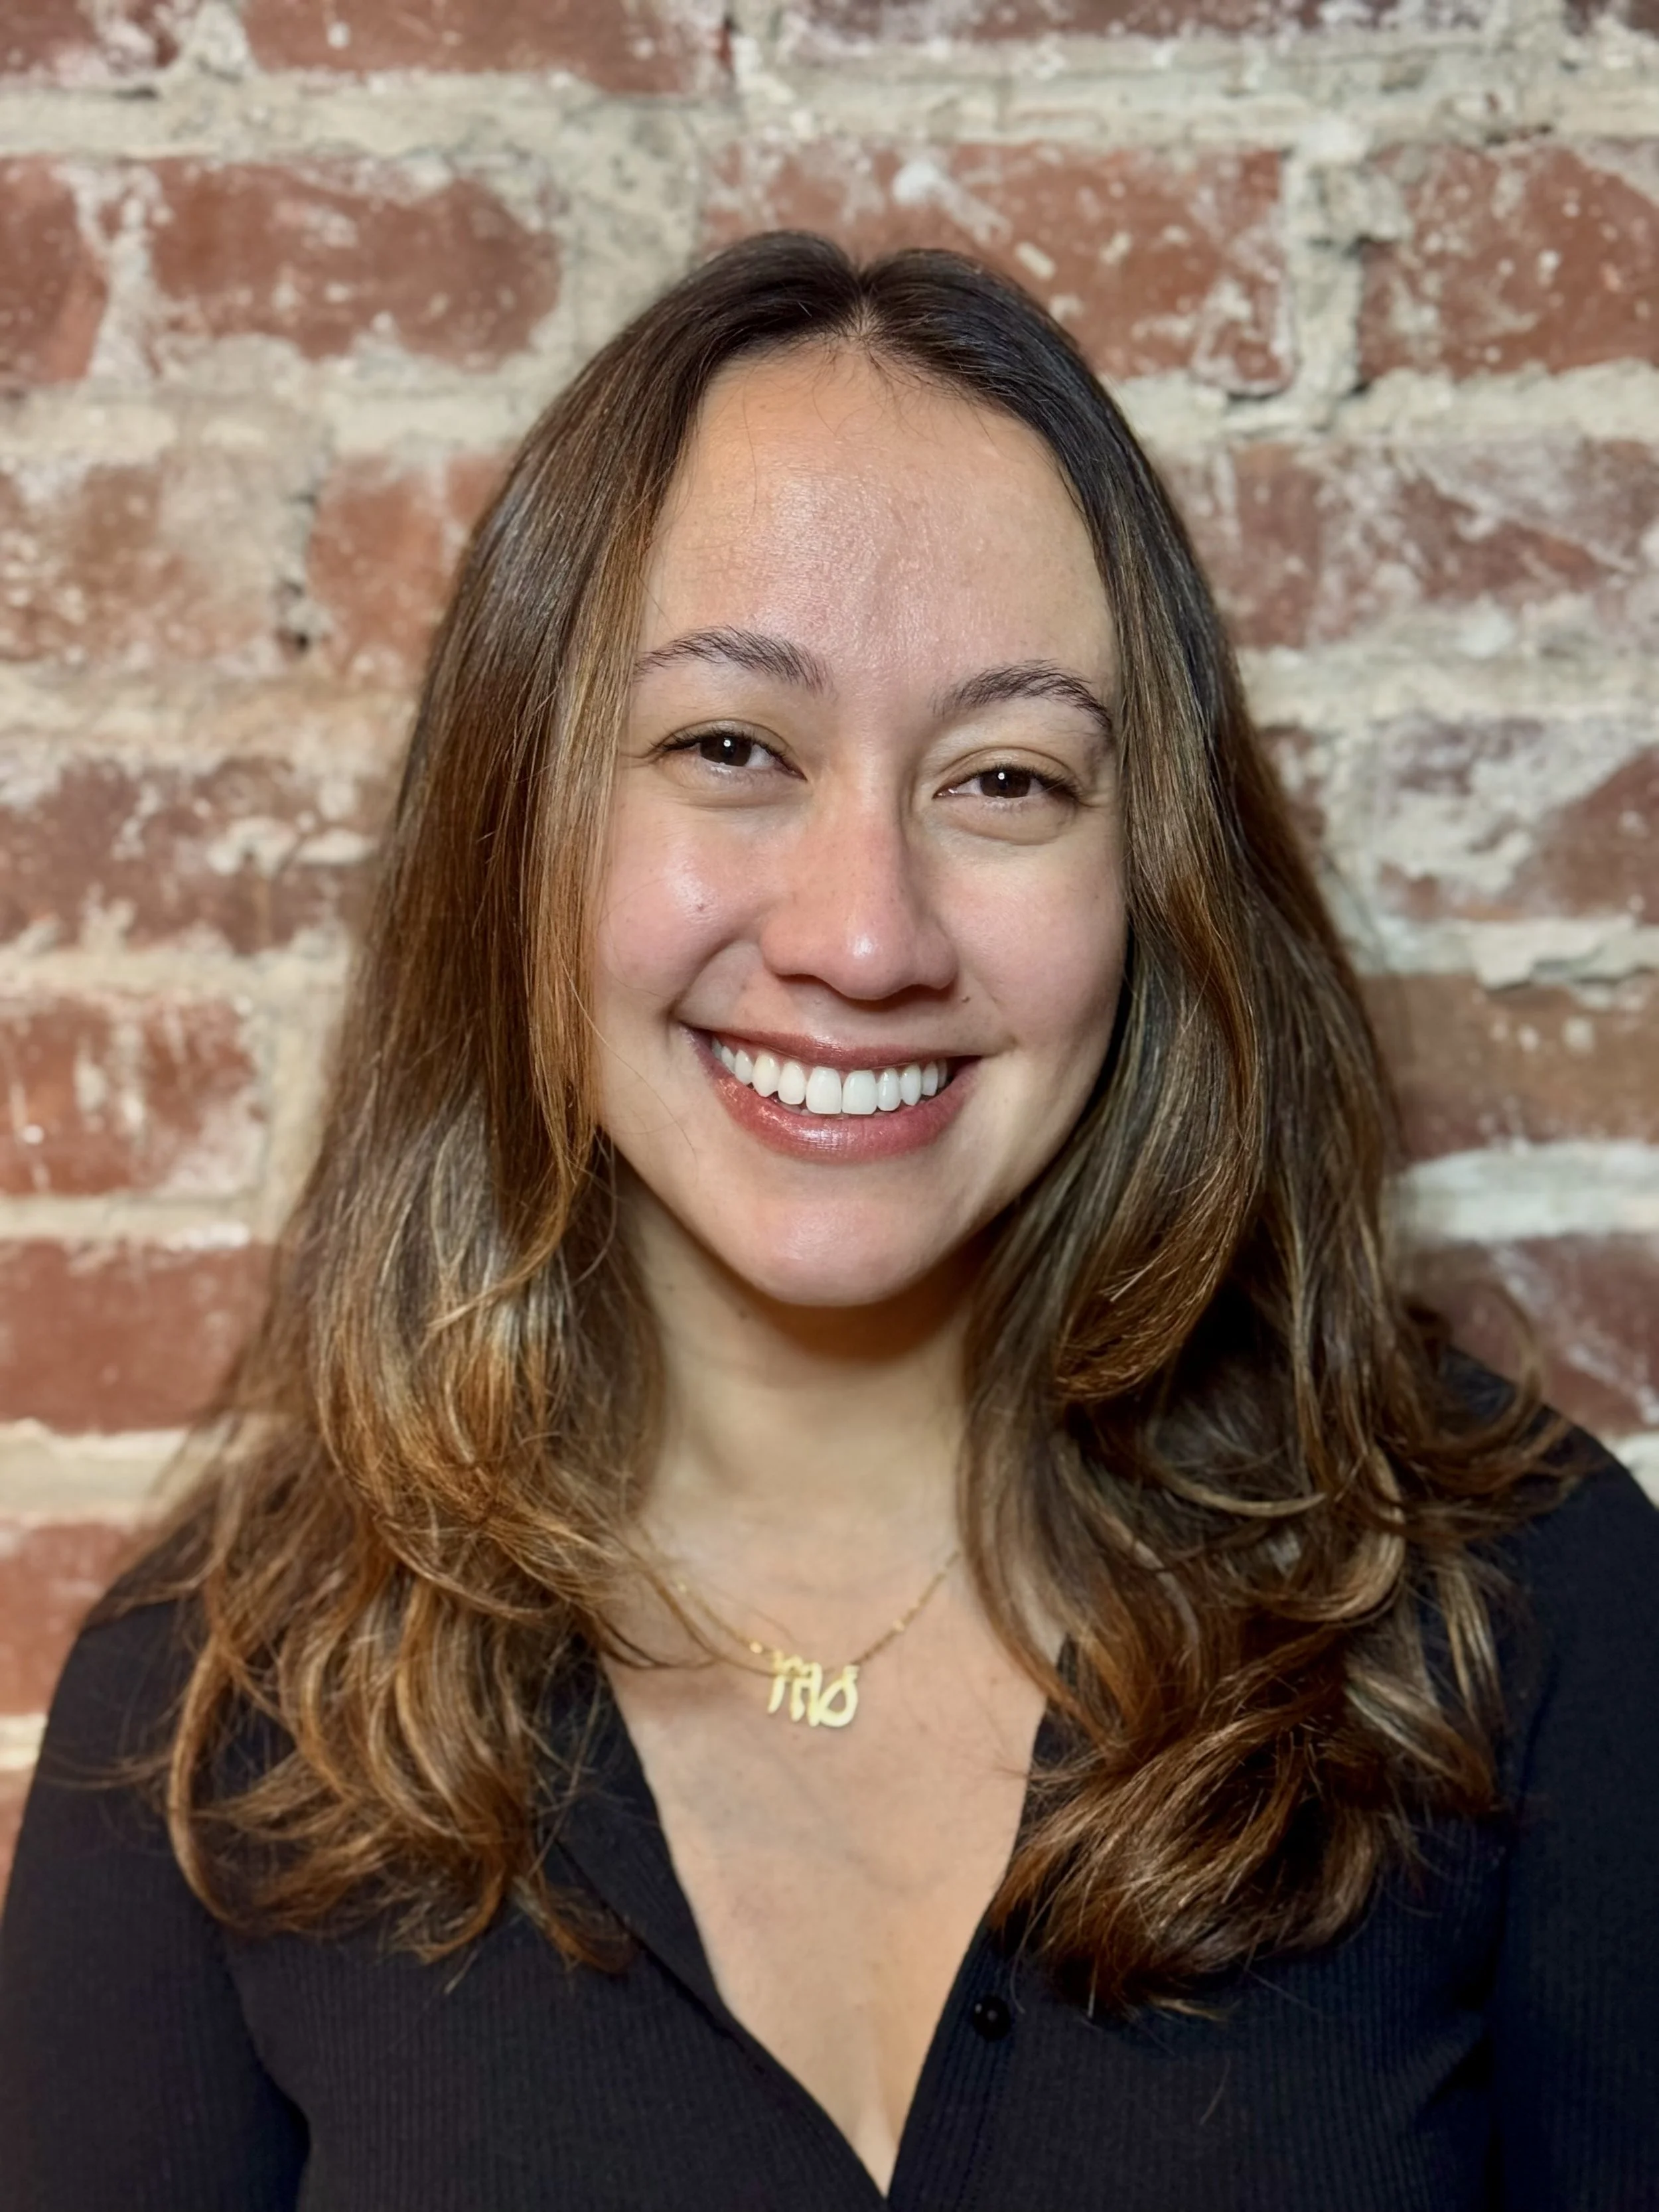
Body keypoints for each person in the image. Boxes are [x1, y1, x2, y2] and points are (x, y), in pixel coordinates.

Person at [0, 232, 1654, 2212]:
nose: (863, 936)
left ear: (1156, 883)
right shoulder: (211, 1715)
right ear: (519, 816)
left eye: (1009, 777)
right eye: (728, 748)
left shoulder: (1519, 1611)